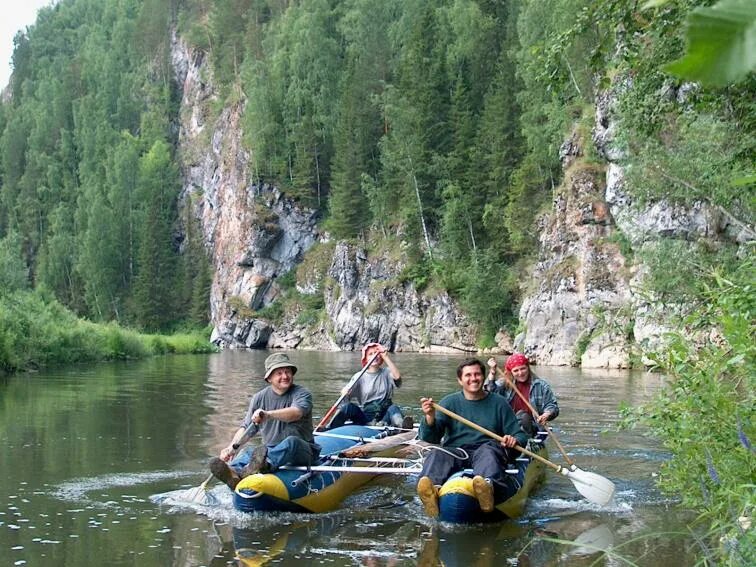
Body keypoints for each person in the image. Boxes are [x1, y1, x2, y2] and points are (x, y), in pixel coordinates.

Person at [416, 358, 529, 517]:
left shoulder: (499, 403)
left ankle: (487, 488)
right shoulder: (449, 402)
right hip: (458, 451)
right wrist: (429, 417)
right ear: (460, 380)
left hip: (487, 448)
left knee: (488, 452)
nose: (473, 378)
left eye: (477, 374)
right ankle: (431, 492)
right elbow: (432, 437)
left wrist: (513, 440)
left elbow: (520, 435)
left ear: (483, 377)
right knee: (436, 453)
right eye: (468, 375)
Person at [209, 352, 320, 489]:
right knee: (248, 452)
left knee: (292, 442)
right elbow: (247, 428)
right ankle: (234, 473)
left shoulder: (302, 393)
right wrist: (231, 448)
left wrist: (268, 414)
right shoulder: (259, 398)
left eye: (287, 372)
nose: (285, 376)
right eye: (279, 373)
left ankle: (264, 465)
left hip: (302, 450)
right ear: (269, 378)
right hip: (268, 450)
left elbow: (296, 413)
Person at [328, 342, 412, 429]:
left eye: (376, 353)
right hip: (366, 418)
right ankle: (330, 428)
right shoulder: (359, 376)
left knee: (394, 408)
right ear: (366, 358)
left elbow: (398, 379)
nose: (374, 356)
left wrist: (386, 357)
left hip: (385, 415)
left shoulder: (387, 372)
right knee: (348, 407)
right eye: (370, 354)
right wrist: (345, 392)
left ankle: (402, 426)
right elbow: (345, 398)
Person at [486, 353, 559, 436]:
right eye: (516, 370)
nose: (520, 373)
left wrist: (546, 415)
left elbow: (552, 406)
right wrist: (492, 371)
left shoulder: (541, 385)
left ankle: (525, 439)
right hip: (508, 426)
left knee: (523, 417)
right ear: (511, 372)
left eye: (523, 369)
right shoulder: (505, 383)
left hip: (532, 427)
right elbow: (489, 392)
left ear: (528, 367)